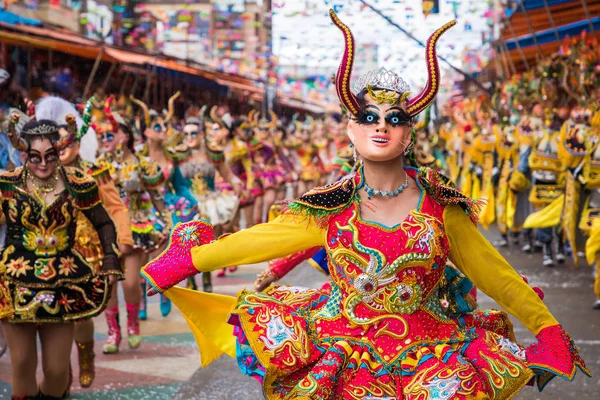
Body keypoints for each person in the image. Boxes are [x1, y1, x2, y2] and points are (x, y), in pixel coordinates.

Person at [141, 11, 589, 399]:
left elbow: (496, 275)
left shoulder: (441, 207)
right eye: (368, 117)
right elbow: (258, 241)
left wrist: (547, 329)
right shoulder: (332, 206)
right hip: (343, 355)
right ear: (351, 131)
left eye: (395, 119)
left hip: (431, 362)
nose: (381, 127)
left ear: (409, 134)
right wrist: (185, 262)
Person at [1, 115, 122, 399]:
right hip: (16, 281)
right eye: (34, 157)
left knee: (56, 373)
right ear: (22, 153)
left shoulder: (77, 183)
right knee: (22, 364)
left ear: (59, 150)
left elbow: (104, 222)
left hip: (63, 282)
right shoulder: (7, 185)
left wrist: (110, 258)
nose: (43, 164)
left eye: (50, 155)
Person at [56, 99, 134, 388]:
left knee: (78, 313)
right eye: (57, 142)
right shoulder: (40, 174)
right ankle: (59, 373)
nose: (63, 147)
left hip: (88, 251)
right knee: (53, 317)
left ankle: (85, 353)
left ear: (77, 143)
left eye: (68, 141)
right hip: (50, 252)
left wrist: (122, 240)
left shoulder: (94, 172)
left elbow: (115, 208)